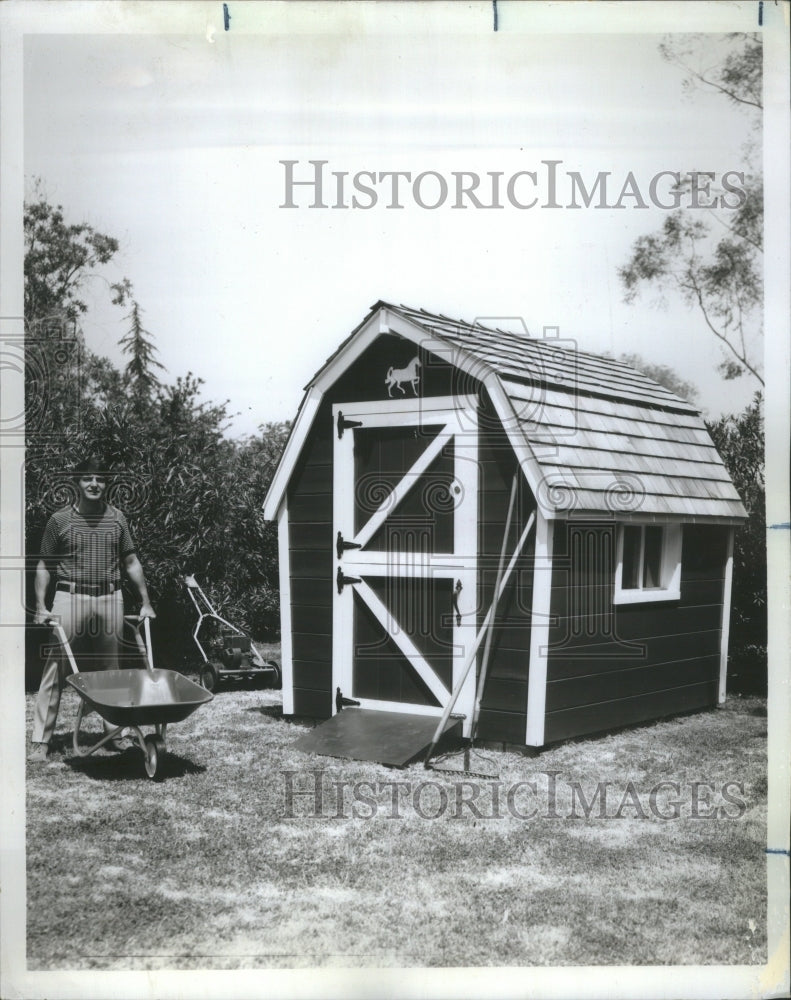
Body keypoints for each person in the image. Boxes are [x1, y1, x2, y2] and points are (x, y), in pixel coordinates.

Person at [28, 457, 156, 762]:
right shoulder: (59, 520)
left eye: (99, 478)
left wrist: (146, 602)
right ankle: (40, 741)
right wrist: (40, 606)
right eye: (87, 479)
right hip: (69, 597)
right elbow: (44, 565)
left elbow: (131, 563)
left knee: (111, 669)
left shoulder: (118, 519)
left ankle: (115, 732)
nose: (94, 484)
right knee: (55, 669)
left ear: (106, 484)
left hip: (110, 598)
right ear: (78, 483)